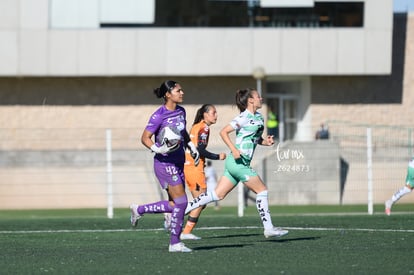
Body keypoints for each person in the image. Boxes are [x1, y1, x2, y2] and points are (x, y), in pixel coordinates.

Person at [184, 88, 289, 239]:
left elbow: (254, 137)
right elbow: (223, 132)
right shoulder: (243, 117)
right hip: (238, 163)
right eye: (258, 96)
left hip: (237, 164)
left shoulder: (259, 117)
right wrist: (233, 149)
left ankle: (186, 208)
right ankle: (269, 228)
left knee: (217, 195)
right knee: (262, 190)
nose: (261, 98)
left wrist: (266, 142)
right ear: (250, 100)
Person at [129, 80, 200, 253]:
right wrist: (157, 148)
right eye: (178, 90)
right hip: (164, 163)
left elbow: (182, 133)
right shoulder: (159, 115)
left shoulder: (181, 111)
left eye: (182, 90)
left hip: (178, 161)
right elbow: (145, 137)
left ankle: (139, 209)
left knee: (174, 204)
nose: (182, 93)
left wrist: (191, 147)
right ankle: (175, 243)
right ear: (168, 94)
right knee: (182, 202)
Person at [181, 104, 226, 240]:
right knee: (201, 202)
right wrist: (218, 157)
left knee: (201, 202)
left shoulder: (195, 126)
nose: (216, 115)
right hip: (195, 169)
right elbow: (200, 150)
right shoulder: (204, 128)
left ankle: (184, 229)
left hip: (188, 167)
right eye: (213, 112)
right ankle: (180, 224)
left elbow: (187, 145)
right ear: (205, 114)